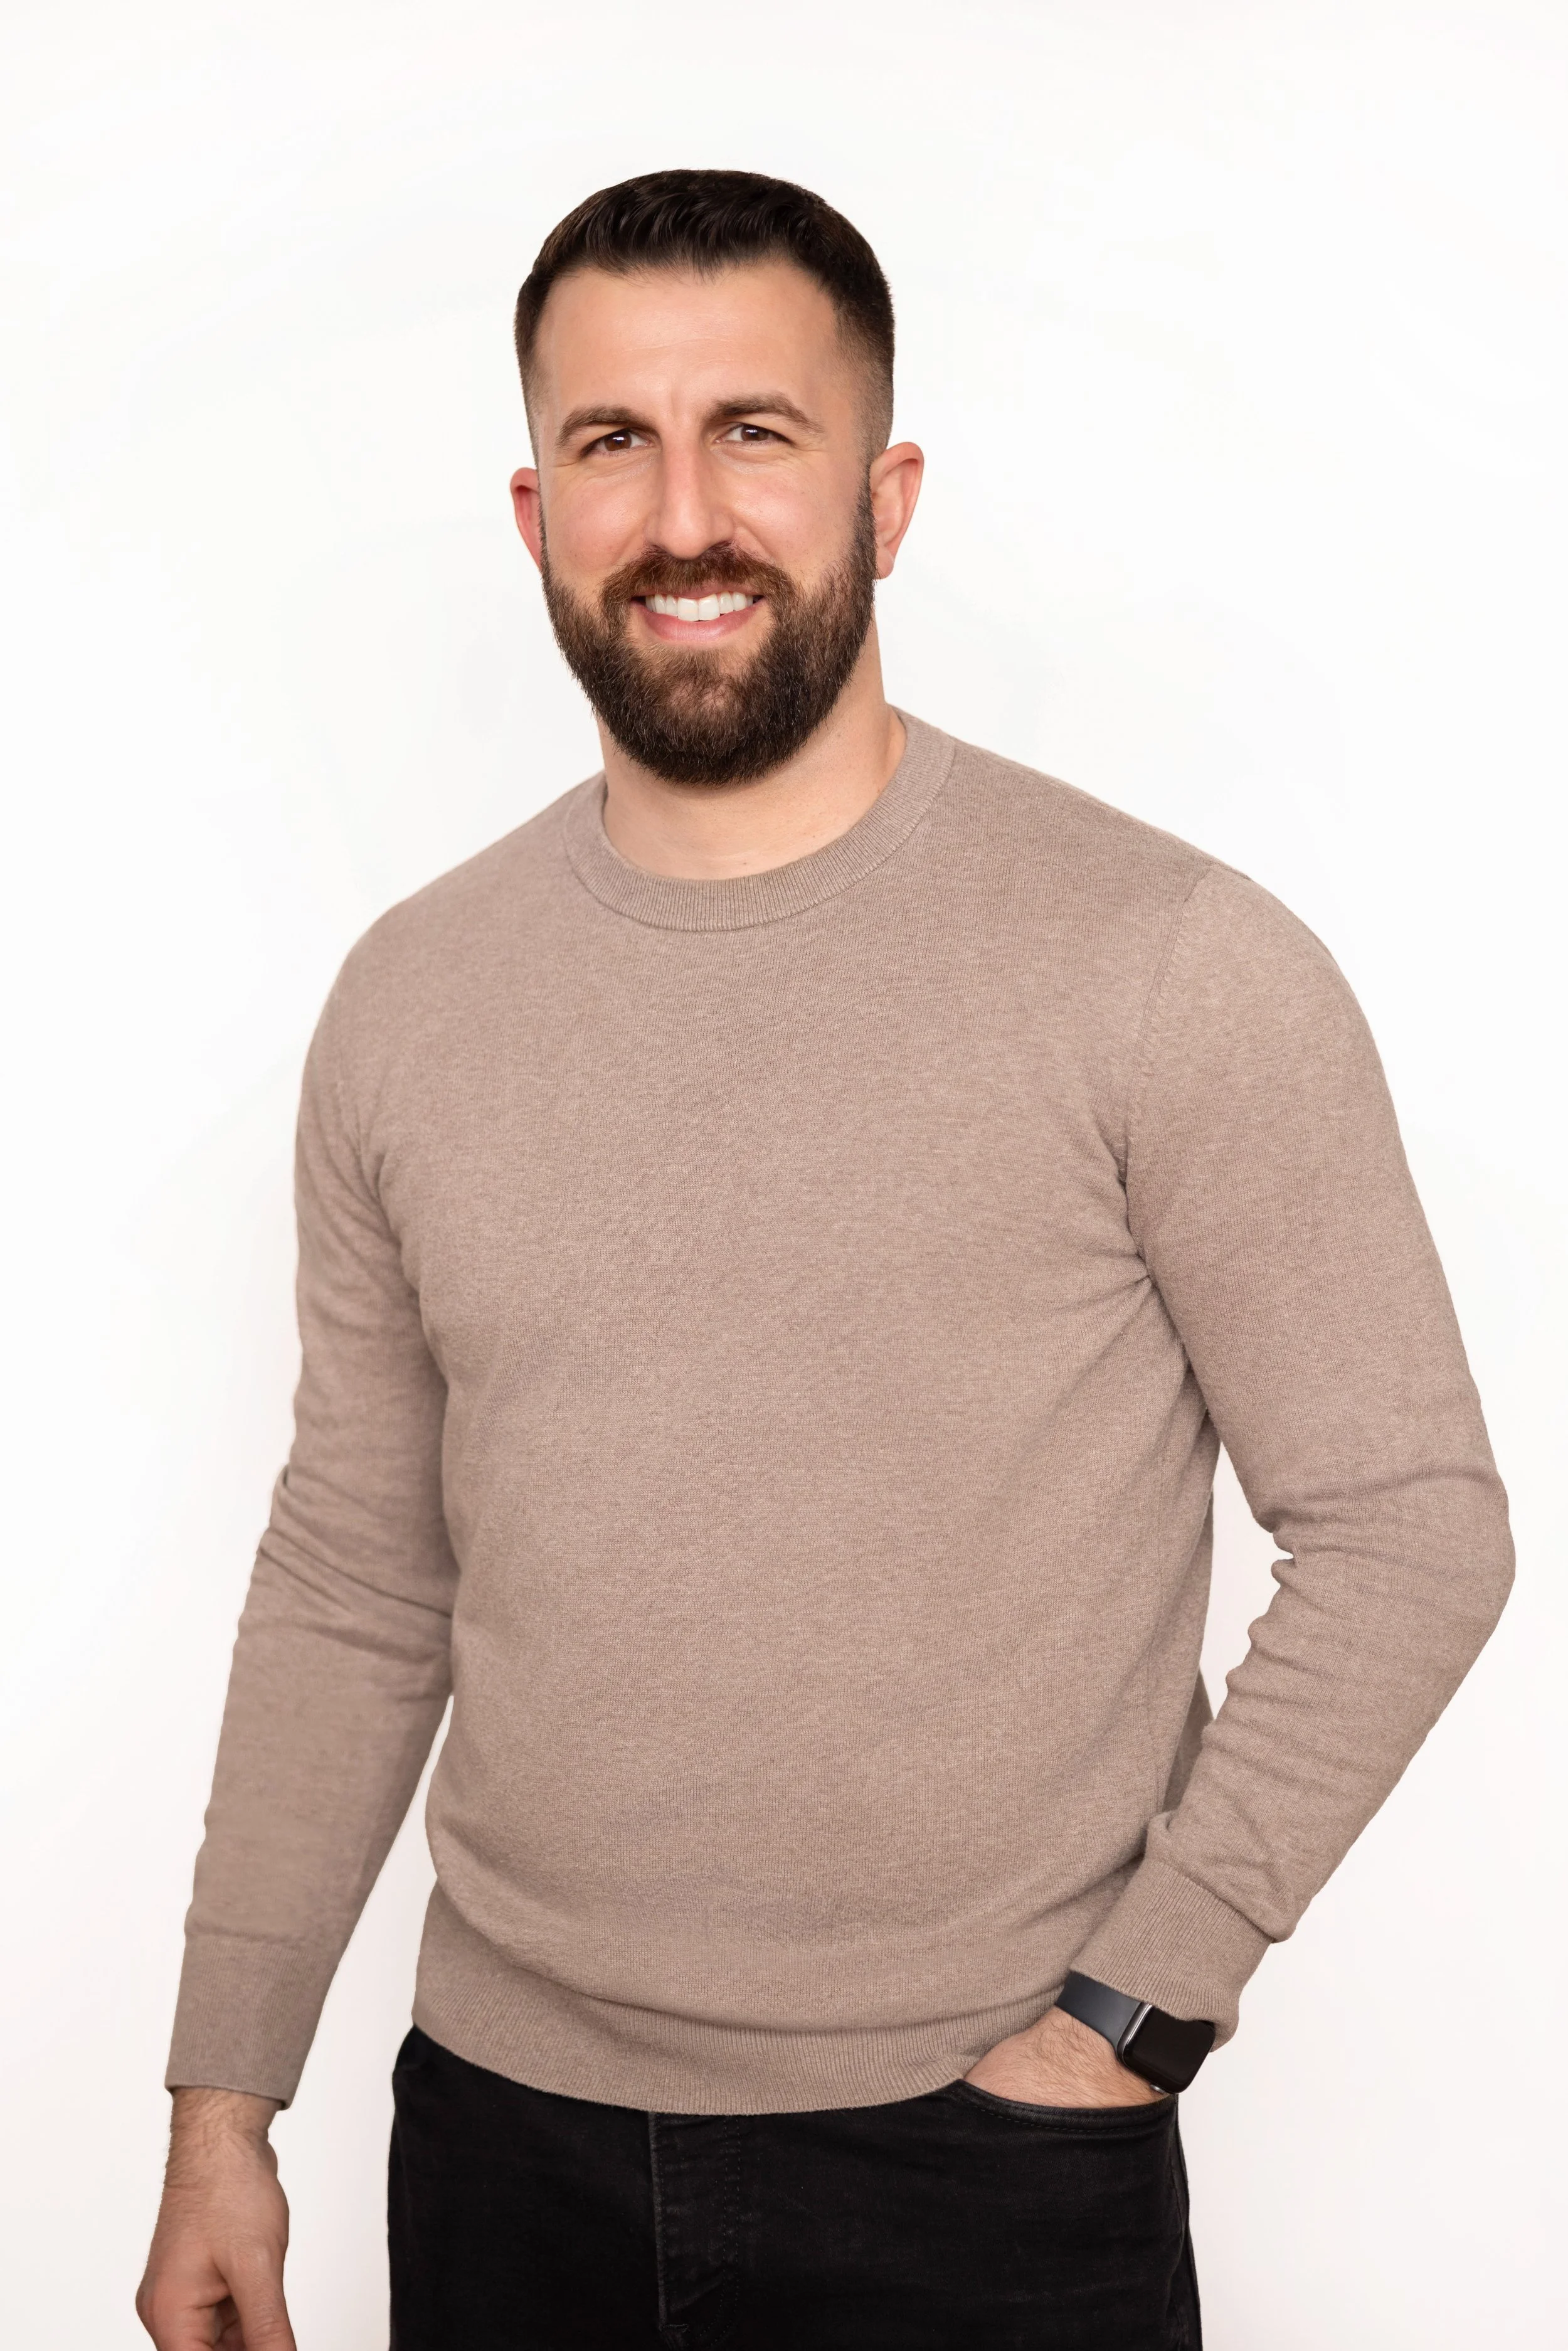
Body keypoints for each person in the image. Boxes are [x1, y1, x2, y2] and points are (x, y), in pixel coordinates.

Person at [136, 169, 1513, 2351]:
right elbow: (354, 1568)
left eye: (753, 436)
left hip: (984, 2163)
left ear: (886, 492)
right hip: (497, 2139)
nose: (685, 516)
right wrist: (225, 2095)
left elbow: (1408, 1526)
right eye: (614, 445)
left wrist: (1128, 2018)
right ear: (534, 514)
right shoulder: (409, 1001)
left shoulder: (1166, 962)